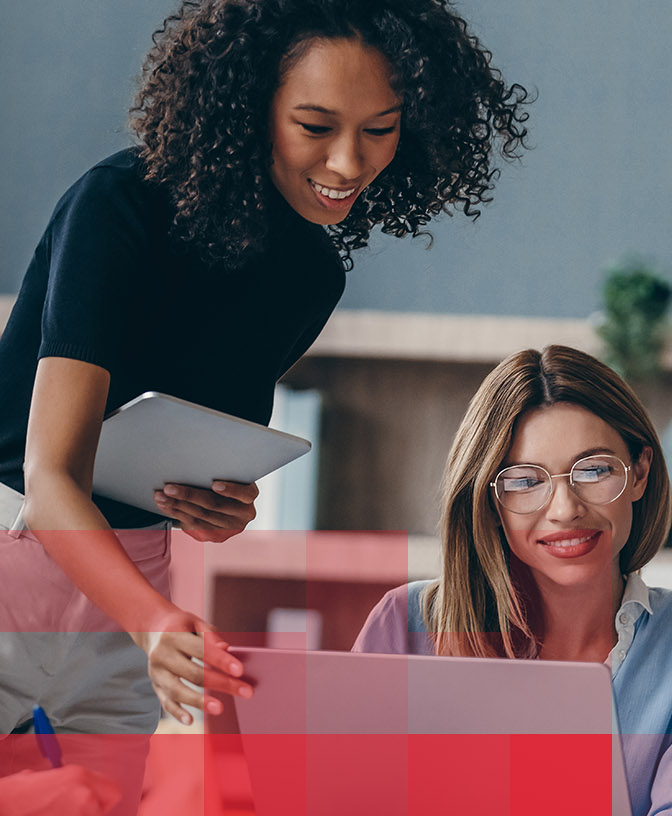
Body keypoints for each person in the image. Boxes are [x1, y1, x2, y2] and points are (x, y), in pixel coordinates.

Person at [0, 0, 530, 748]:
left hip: (134, 576)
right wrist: (151, 623)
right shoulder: (117, 206)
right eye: (316, 127)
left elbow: (177, 450)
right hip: (24, 542)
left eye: (380, 128)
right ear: (252, 107)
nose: (350, 163)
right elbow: (51, 474)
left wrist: (217, 510)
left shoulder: (310, 277)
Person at [354, 345, 672, 816]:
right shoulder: (408, 623)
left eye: (593, 471)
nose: (565, 510)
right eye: (524, 481)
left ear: (640, 473)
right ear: (490, 503)